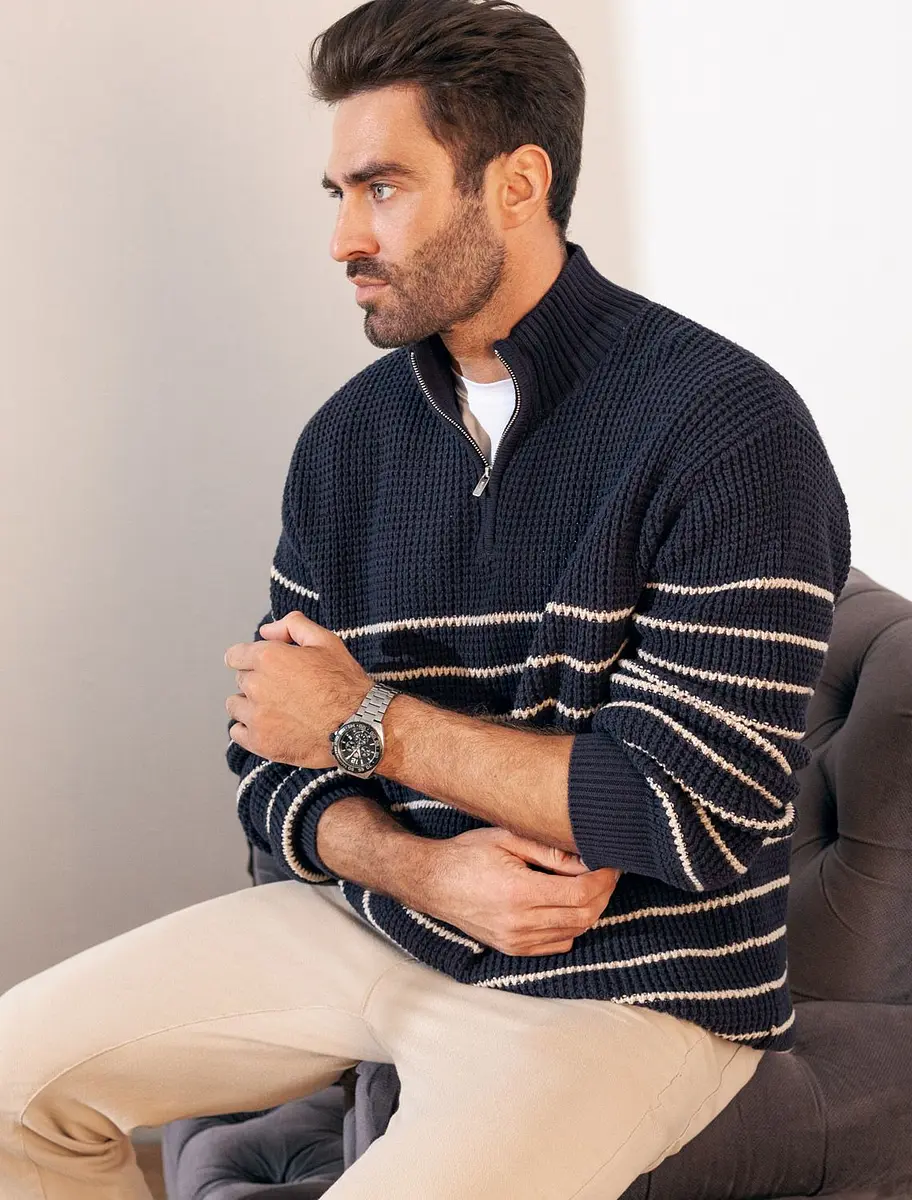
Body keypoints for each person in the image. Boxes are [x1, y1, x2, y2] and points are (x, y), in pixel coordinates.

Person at [0, 1, 852, 1197]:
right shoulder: (347, 442)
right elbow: (270, 762)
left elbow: (686, 812)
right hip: (379, 921)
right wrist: (418, 869)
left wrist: (366, 724)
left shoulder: (727, 429)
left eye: (384, 188)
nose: (344, 237)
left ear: (517, 184)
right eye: (339, 192)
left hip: (625, 989)